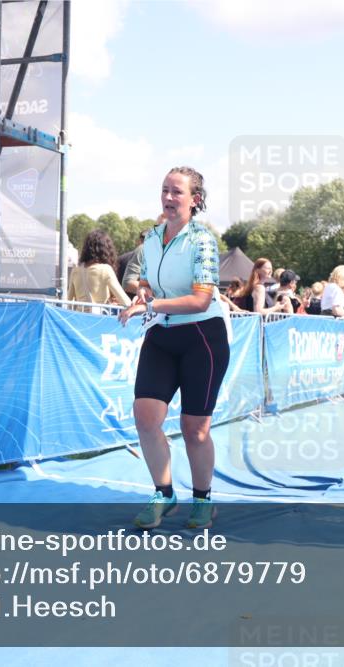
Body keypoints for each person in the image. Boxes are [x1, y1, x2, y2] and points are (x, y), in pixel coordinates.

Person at [117, 166, 229, 530]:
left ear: (194, 200)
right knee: (145, 418)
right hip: (162, 336)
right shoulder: (151, 237)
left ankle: (203, 499)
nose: (168, 197)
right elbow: (147, 282)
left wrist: (150, 306)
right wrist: (143, 296)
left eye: (176, 192)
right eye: (164, 190)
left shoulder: (203, 240)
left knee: (194, 427)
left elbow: (200, 300)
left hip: (203, 338)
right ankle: (164, 494)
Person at [68, 229, 132, 307]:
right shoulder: (105, 270)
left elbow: (69, 301)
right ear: (106, 249)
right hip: (99, 317)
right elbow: (126, 301)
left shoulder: (75, 270)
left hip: (79, 317)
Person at [118, 228, 149, 297]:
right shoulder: (141, 252)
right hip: (137, 302)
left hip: (123, 301)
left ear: (138, 241)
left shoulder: (121, 258)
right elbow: (127, 283)